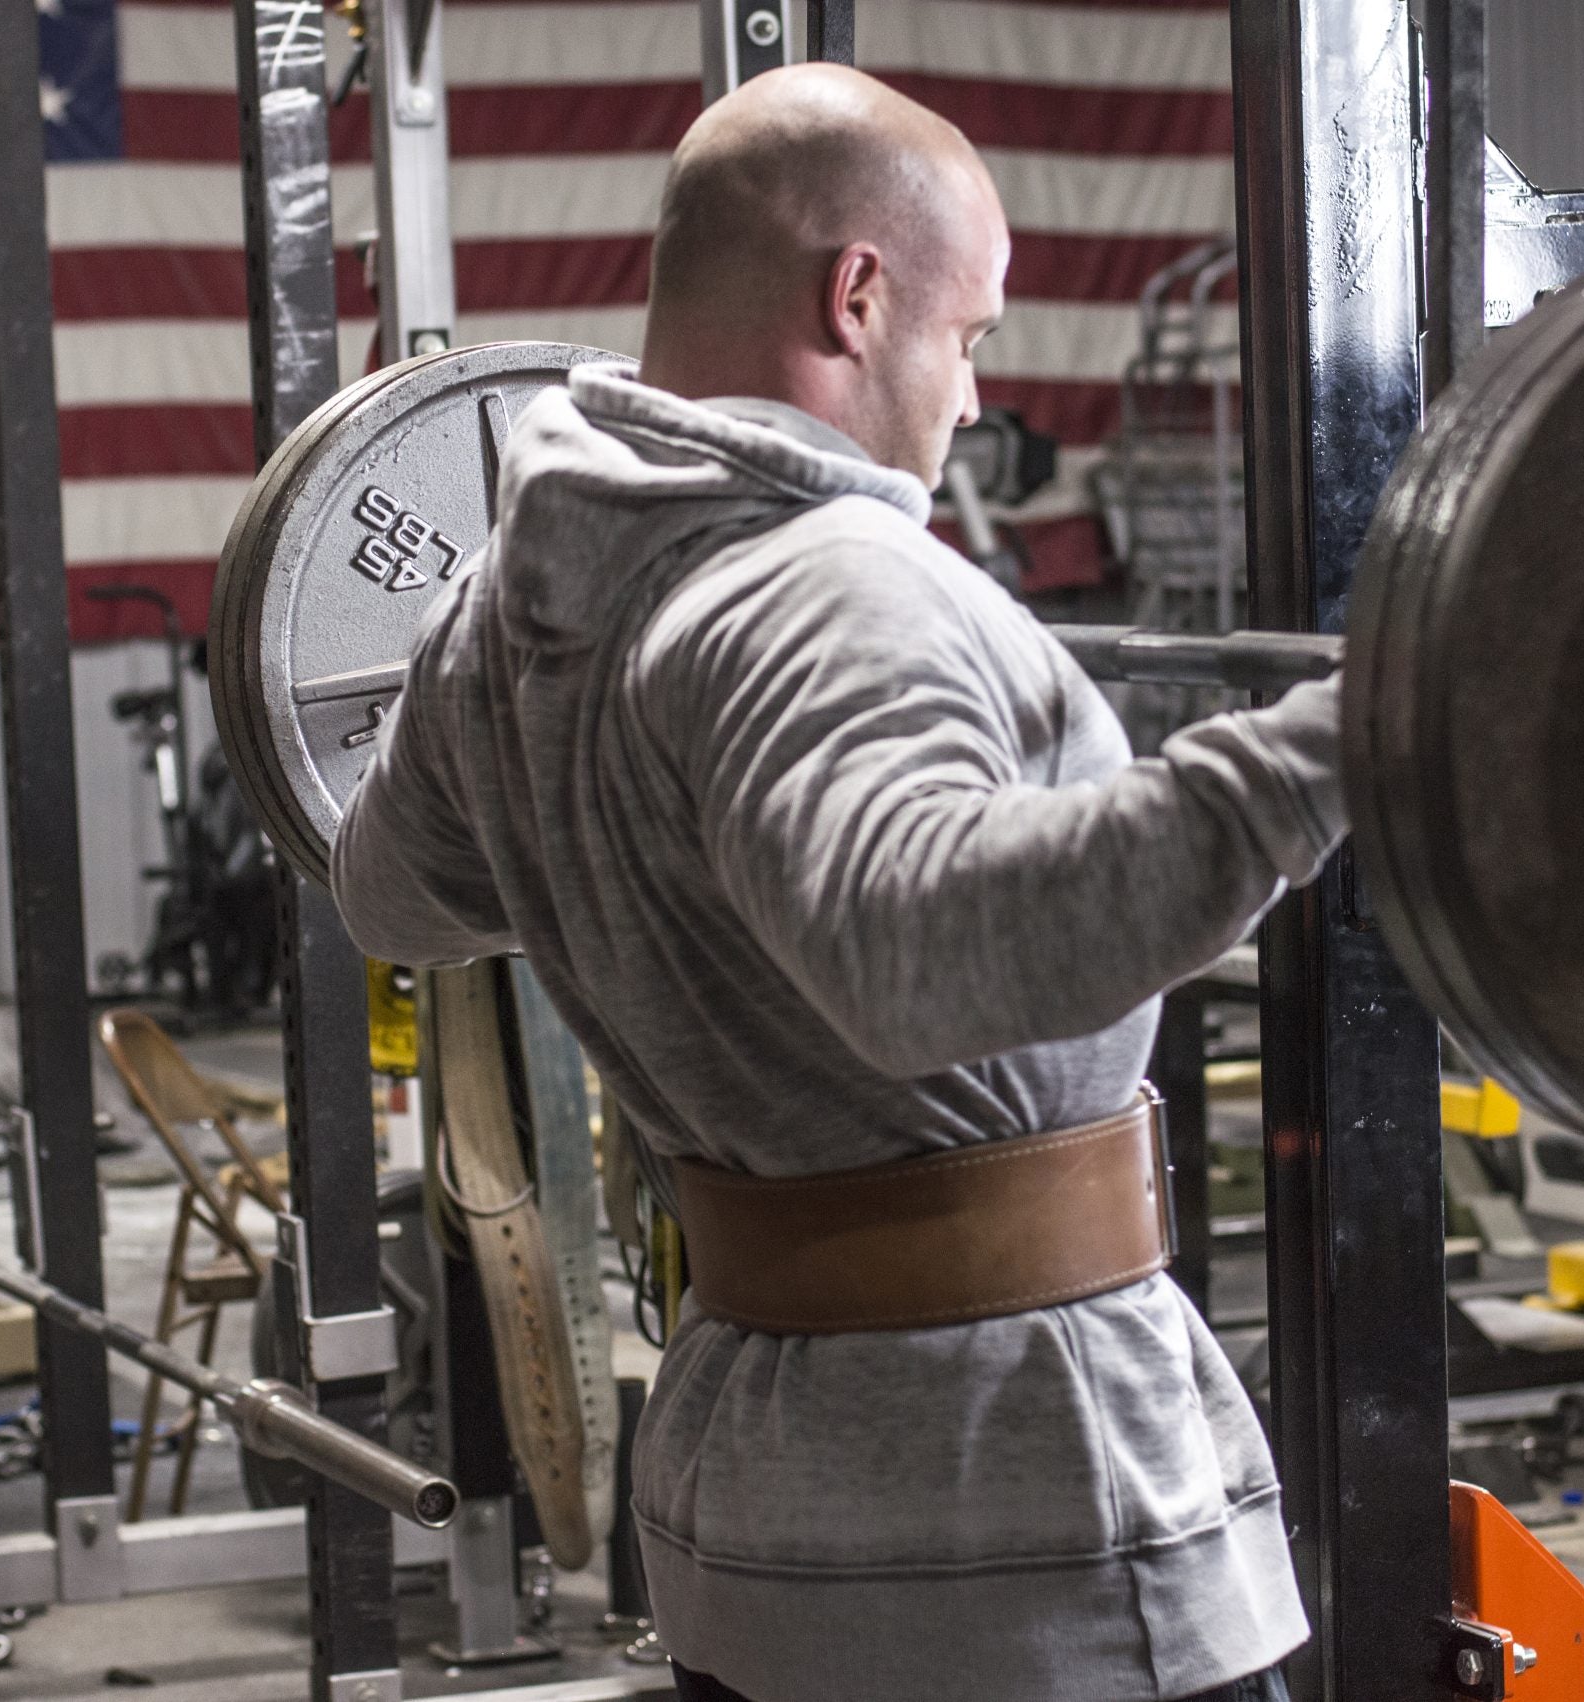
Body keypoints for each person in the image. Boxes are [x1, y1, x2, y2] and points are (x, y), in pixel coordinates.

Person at [332, 64, 1341, 1702]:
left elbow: (392, 894)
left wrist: (634, 842)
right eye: (969, 334)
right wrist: (1354, 739)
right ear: (857, 295)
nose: (971, 396)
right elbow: (925, 956)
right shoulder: (832, 590)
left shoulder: (498, 609)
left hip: (751, 1509)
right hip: (1020, 1520)